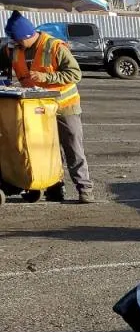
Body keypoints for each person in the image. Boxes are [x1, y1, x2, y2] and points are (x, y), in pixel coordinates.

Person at [1, 11, 96, 203]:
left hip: (64, 106)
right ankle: (53, 188)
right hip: (35, 108)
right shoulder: (14, 48)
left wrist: (47, 77)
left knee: (73, 147)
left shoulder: (54, 47)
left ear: (27, 35)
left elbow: (75, 74)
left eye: (17, 40)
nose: (15, 44)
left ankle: (85, 189)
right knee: (43, 149)